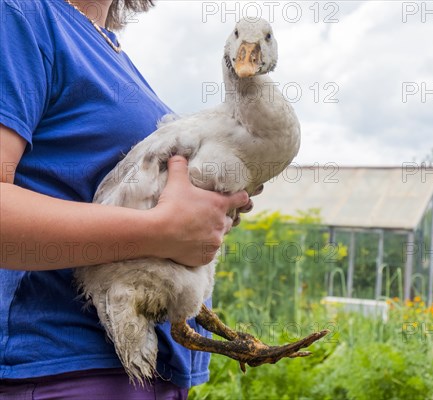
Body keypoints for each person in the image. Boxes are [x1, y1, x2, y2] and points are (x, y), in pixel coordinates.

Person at [0, 0, 253, 398]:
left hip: (145, 370)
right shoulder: (21, 15)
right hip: (66, 368)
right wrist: (163, 229)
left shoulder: (109, 50)